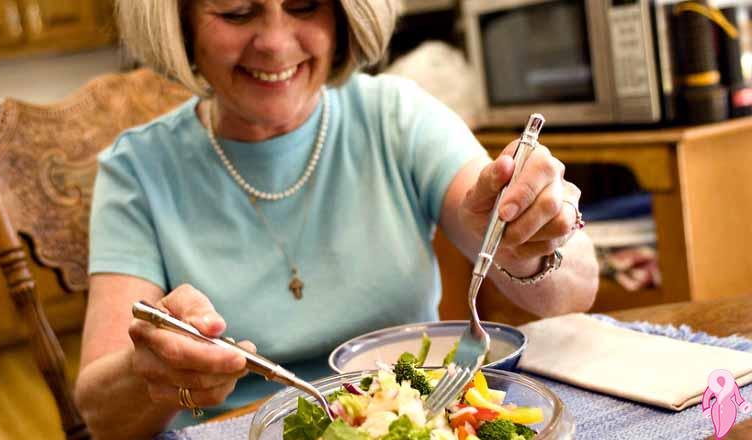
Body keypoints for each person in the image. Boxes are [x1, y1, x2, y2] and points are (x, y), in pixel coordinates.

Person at [73, 0, 599, 438]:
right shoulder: (137, 171)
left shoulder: (398, 117)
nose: (275, 44)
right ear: (179, 22)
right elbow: (101, 416)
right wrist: (157, 373)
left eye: (304, 5)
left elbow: (573, 292)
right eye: (236, 11)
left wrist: (531, 237)